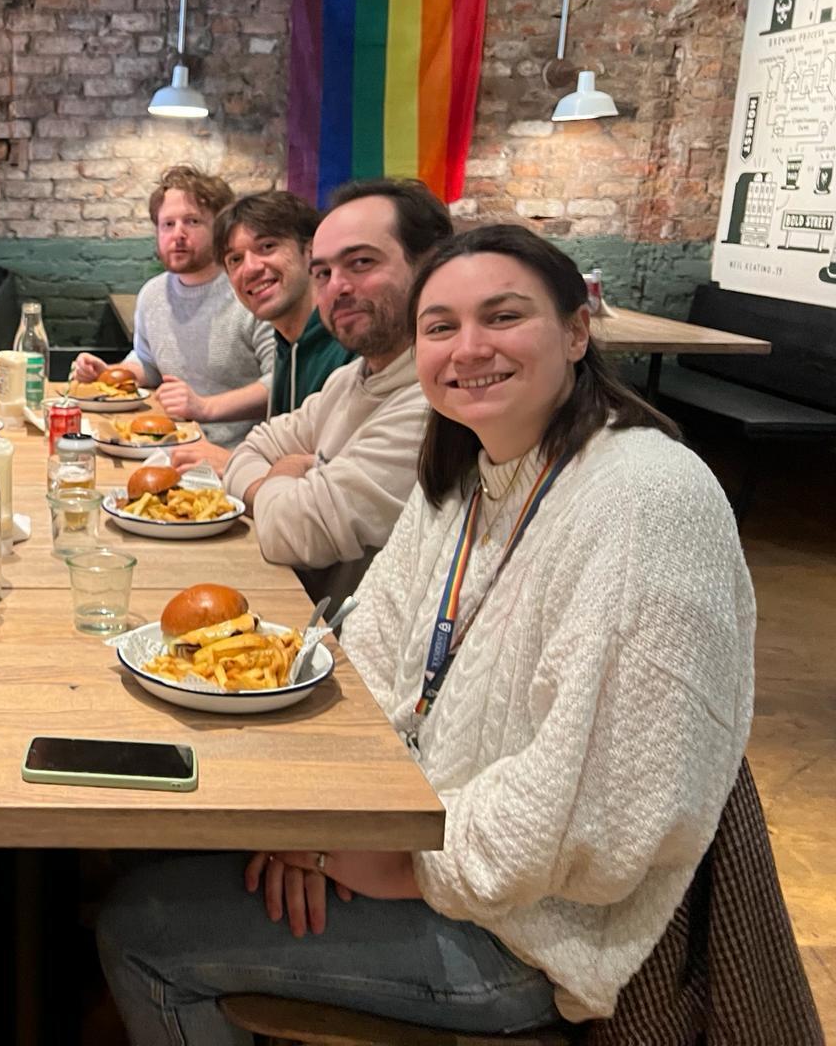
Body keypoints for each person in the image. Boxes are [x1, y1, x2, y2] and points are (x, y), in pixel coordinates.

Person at [97, 224, 754, 1045]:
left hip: (523, 930)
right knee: (131, 842)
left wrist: (393, 864)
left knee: (143, 930)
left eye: (503, 317)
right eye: (440, 327)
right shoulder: (466, 475)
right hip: (402, 836)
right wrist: (325, 829)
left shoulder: (647, 498)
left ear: (578, 329)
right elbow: (368, 652)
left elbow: (607, 804)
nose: (468, 348)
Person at [221, 178, 448, 606]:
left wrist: (282, 475)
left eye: (361, 263)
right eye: (323, 272)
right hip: (305, 616)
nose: (337, 287)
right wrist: (285, 481)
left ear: (432, 267)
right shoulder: (353, 379)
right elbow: (253, 448)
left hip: (351, 654)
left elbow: (298, 531)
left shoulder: (436, 402)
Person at [71, 166, 273, 448]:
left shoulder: (250, 292)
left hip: (236, 455)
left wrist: (204, 407)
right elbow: (149, 363)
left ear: (220, 229)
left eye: (192, 221)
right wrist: (111, 374)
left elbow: (280, 382)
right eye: (168, 224)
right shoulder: (152, 294)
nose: (178, 234)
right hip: (167, 444)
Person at [170, 189, 353, 474]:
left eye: (267, 246)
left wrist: (233, 464)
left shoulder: (349, 348)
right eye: (235, 259)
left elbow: (342, 478)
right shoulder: (286, 343)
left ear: (310, 252)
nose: (251, 268)